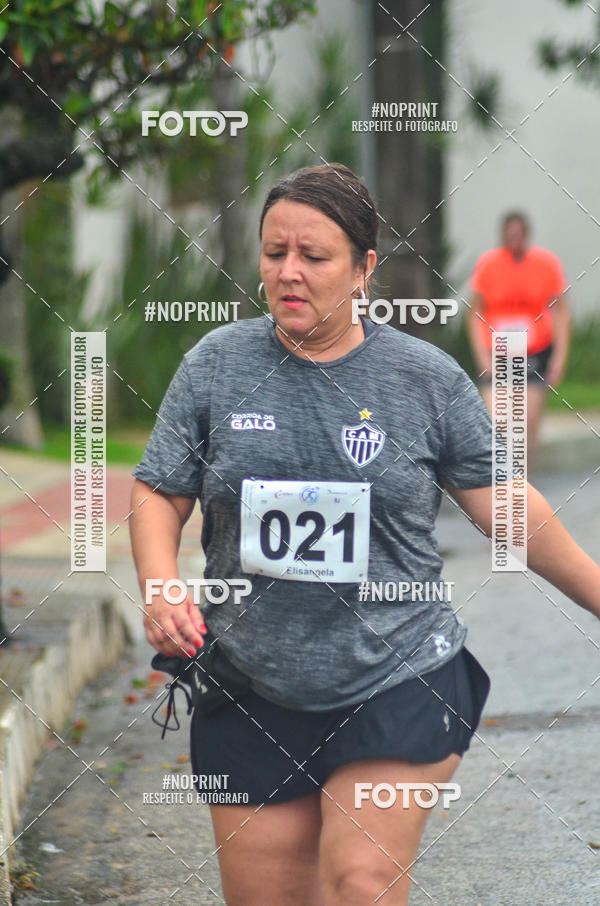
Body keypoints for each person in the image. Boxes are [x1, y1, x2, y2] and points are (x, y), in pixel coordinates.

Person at [129, 165, 600, 906]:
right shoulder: (215, 367)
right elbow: (161, 492)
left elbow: (510, 509)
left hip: (397, 672)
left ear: (363, 268)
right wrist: (160, 584)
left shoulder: (424, 380)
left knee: (361, 880)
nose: (289, 272)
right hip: (253, 681)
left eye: (313, 257)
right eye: (274, 251)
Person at [467, 211, 571, 472]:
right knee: (497, 420)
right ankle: (499, 476)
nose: (514, 240)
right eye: (509, 235)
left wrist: (559, 359)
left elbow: (561, 312)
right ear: (502, 236)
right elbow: (475, 312)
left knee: (526, 423)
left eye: (519, 234)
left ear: (527, 235)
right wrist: (482, 356)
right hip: (499, 352)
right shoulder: (489, 264)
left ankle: (523, 482)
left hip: (534, 352)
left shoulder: (545, 264)